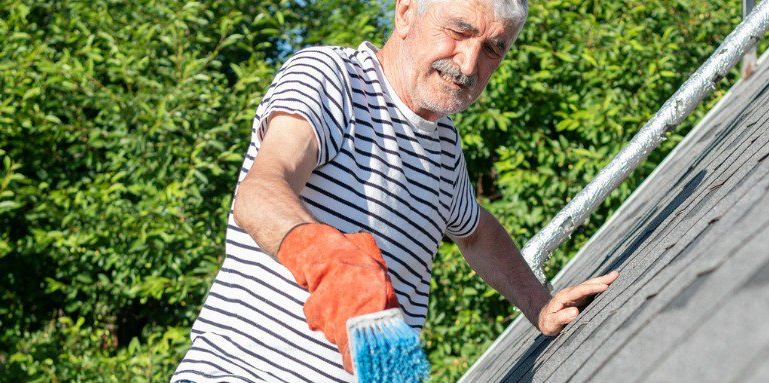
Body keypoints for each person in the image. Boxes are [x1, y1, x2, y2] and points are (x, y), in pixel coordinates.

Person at [171, 0, 618, 381]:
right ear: (405, 13)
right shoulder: (334, 80)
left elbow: (476, 231)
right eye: (460, 31)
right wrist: (328, 261)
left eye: (492, 48)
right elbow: (261, 189)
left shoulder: (443, 149)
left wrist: (539, 304)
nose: (468, 64)